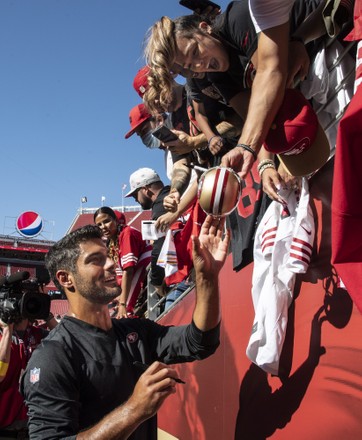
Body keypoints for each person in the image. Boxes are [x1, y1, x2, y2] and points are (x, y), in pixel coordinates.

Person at [20, 218, 230, 439]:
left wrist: (207, 278)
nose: (111, 264)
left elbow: (199, 341)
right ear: (66, 278)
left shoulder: (137, 331)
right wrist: (135, 410)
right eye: (96, 260)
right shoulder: (53, 355)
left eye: (109, 257)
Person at [126, 167, 191, 309]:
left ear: (145, 189)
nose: (136, 200)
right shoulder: (178, 195)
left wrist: (156, 280)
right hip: (193, 269)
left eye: (135, 195)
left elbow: (160, 245)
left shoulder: (162, 204)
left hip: (181, 276)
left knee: (173, 324)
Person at [0, 314, 57, 437]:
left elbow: (69, 341)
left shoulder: (38, 334)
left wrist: (47, 315)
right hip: (5, 430)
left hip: (37, 428)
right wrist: (7, 331)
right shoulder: (2, 335)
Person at [94, 206, 152, 318]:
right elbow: (120, 273)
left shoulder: (127, 233)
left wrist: (123, 303)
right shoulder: (112, 240)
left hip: (143, 267)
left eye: (106, 221)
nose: (103, 227)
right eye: (99, 225)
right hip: (135, 270)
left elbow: (129, 270)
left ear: (116, 221)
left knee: (125, 310)